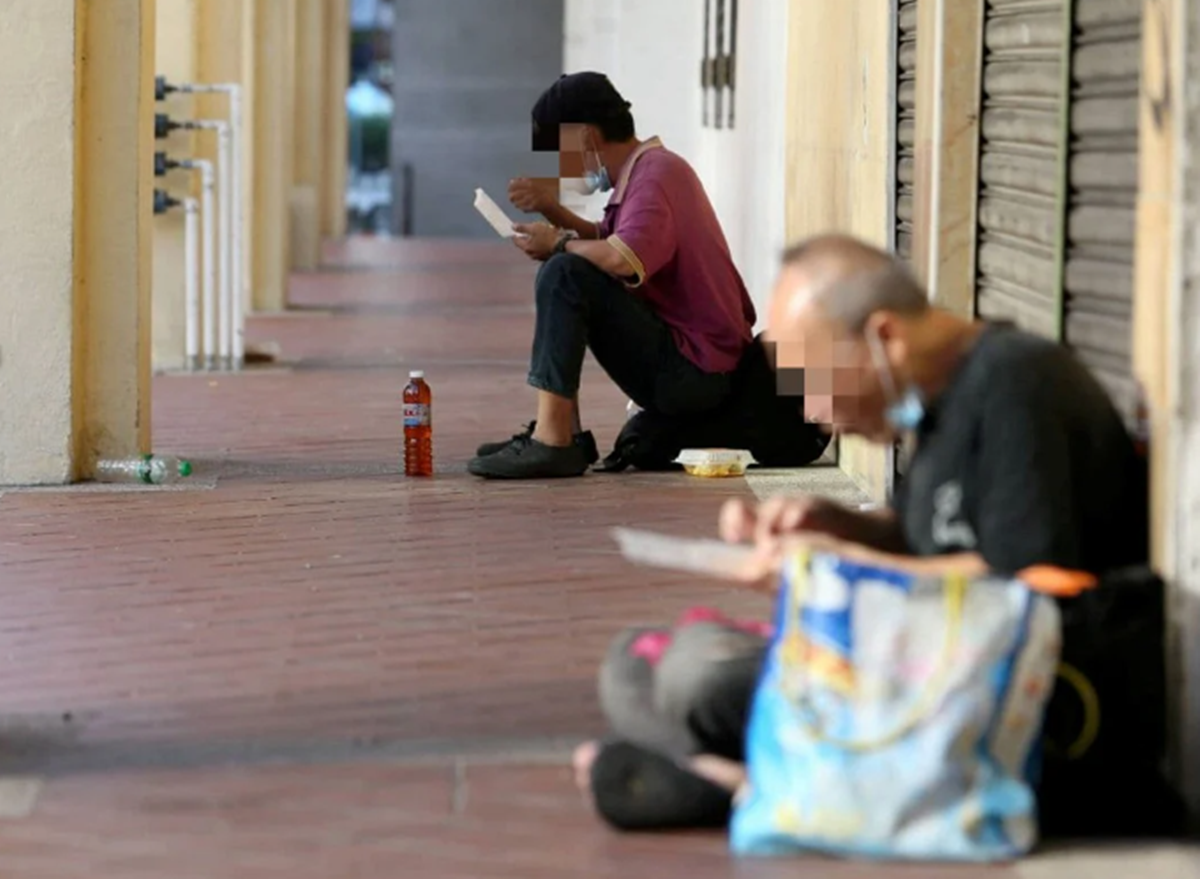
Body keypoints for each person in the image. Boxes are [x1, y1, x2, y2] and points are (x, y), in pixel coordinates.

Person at [575, 233, 1159, 831]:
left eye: (817, 380)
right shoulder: (937, 403)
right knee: (632, 666)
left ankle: (769, 786)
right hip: (926, 666)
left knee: (698, 677)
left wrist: (841, 571)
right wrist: (834, 524)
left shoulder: (1018, 388)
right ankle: (787, 780)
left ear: (884, 338)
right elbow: (926, 540)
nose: (813, 412)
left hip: (1002, 692)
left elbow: (1023, 583)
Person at [468, 72, 757, 479]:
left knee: (565, 273)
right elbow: (608, 243)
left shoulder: (656, 177)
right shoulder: (649, 172)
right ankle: (562, 432)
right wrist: (553, 213)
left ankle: (554, 441)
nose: (565, 166)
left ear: (586, 137)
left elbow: (624, 258)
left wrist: (557, 243)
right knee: (567, 266)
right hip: (697, 367)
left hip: (697, 373)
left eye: (563, 151)